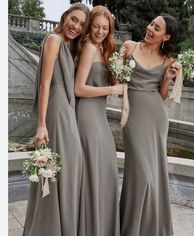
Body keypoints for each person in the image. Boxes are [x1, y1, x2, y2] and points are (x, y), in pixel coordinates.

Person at [22, 3, 90, 236]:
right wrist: (41, 124)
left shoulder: (69, 45)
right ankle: (48, 228)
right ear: (65, 17)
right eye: (74, 19)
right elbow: (44, 82)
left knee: (65, 168)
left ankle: (61, 226)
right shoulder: (54, 40)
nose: (76, 26)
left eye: (81, 24)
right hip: (57, 112)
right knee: (58, 169)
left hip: (67, 111)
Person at [119, 13, 181, 236]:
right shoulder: (128, 46)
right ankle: (130, 228)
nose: (150, 28)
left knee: (154, 174)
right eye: (151, 24)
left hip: (156, 117)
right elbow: (116, 80)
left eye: (157, 28)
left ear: (165, 37)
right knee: (140, 174)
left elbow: (162, 96)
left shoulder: (167, 62)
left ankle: (151, 228)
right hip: (133, 115)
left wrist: (167, 79)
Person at [74, 5, 123, 236]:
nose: (100, 31)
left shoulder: (106, 49)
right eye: (96, 26)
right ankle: (89, 227)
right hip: (86, 116)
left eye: (105, 28)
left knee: (106, 172)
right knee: (94, 172)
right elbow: (79, 88)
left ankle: (101, 226)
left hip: (100, 117)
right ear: (89, 25)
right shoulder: (88, 48)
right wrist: (112, 90)